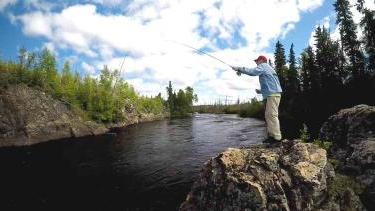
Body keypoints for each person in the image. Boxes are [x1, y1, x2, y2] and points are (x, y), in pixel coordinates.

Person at [231, 55, 282, 143]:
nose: (256, 63)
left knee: (272, 115)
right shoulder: (270, 69)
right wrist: (261, 91)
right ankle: (271, 136)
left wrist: (239, 69)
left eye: (257, 61)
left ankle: (276, 138)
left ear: (262, 60)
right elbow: (272, 83)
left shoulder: (263, 66)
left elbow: (253, 72)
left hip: (272, 95)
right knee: (268, 115)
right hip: (273, 94)